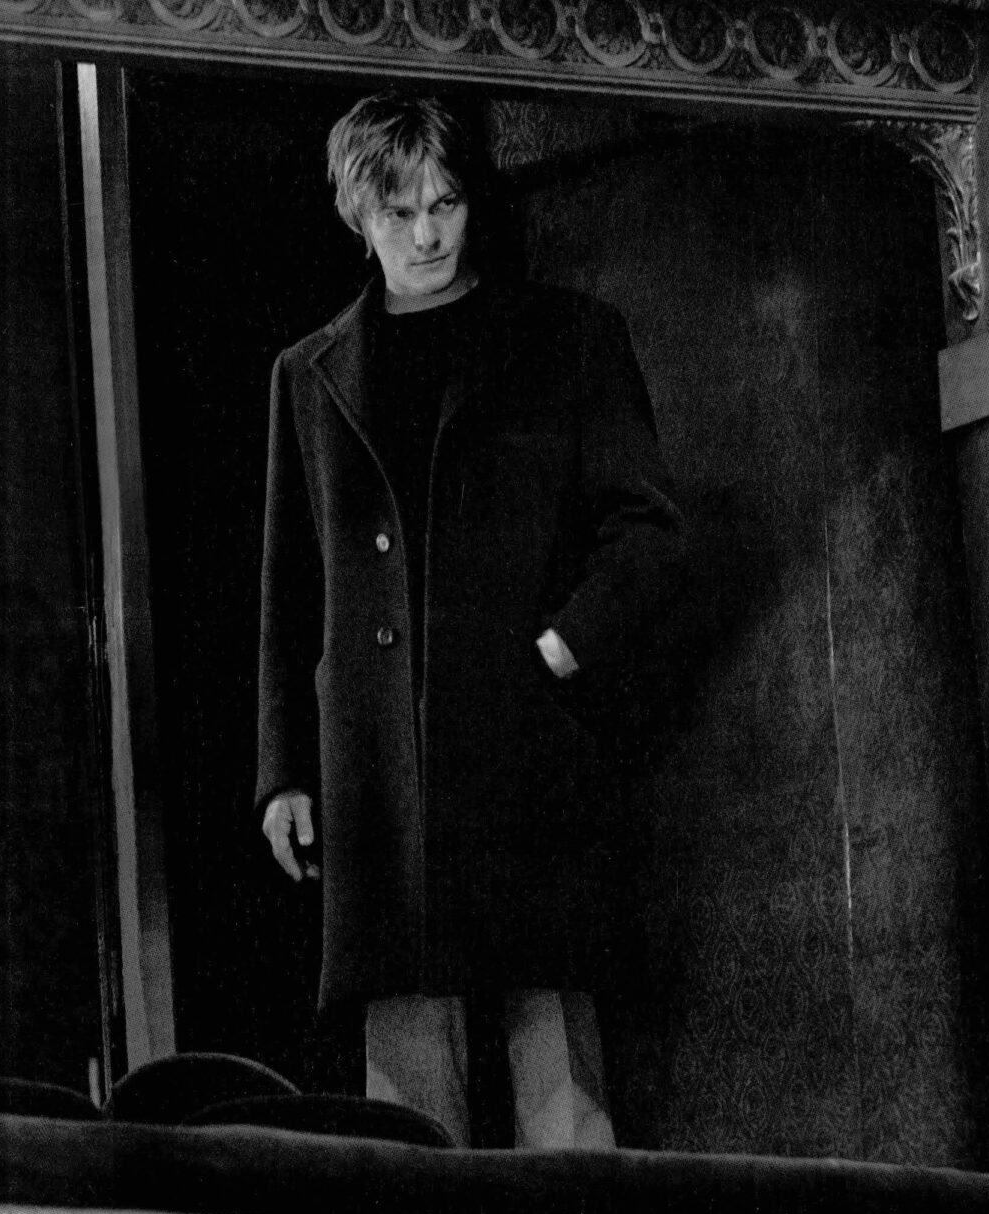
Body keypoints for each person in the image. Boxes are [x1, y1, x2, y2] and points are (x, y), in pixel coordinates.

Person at [254, 90, 684, 1149]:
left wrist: (556, 650)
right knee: (407, 1114)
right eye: (400, 212)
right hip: (378, 771)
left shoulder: (569, 337)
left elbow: (648, 530)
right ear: (358, 216)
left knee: (563, 1090)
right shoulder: (308, 375)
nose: (428, 234)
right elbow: (289, 591)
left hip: (528, 743)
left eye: (444, 203)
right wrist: (284, 773)